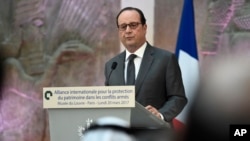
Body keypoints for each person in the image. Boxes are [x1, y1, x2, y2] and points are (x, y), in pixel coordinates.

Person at [104, 7, 187, 124]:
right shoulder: (112, 65)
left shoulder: (165, 59)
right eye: (123, 27)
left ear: (144, 28)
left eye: (133, 25)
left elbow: (178, 97)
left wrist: (160, 114)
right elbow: (108, 102)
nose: (127, 30)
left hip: (155, 133)